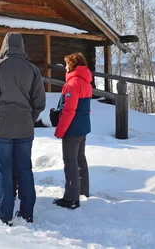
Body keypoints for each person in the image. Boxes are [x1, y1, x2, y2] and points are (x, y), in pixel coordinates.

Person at [0, 32, 46, 225]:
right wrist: (29, 118)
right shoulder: (32, 70)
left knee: (3, 172)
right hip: (25, 128)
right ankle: (27, 212)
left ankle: (5, 213)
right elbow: (39, 102)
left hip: (0, 128)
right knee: (25, 170)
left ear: (4, 46)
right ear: (22, 46)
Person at [52, 52, 92, 210]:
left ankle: (71, 198)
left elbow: (69, 110)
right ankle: (82, 191)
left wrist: (59, 130)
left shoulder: (72, 84)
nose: (65, 66)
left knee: (70, 162)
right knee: (80, 159)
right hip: (83, 127)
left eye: (67, 64)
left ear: (73, 65)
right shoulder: (86, 82)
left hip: (72, 129)